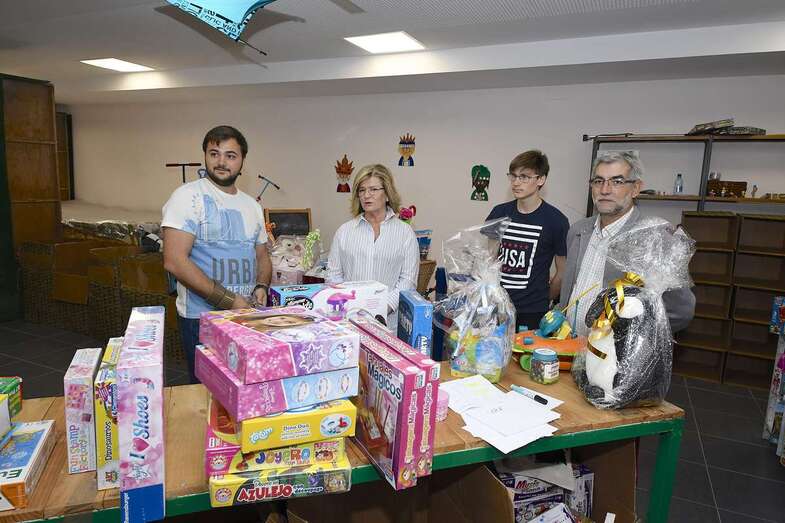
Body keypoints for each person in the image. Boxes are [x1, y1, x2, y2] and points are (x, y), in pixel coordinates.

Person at [162, 125, 272, 383]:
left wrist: (261, 285)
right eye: (214, 153)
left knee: (243, 387)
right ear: (205, 156)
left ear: (242, 160)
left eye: (230, 155)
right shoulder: (187, 197)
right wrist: (229, 301)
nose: (222, 162)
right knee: (206, 393)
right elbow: (174, 261)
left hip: (244, 315)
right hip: (203, 319)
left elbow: (262, 255)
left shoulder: (252, 205)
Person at [558, 150, 695, 336]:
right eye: (598, 181)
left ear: (636, 188)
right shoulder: (577, 231)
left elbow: (681, 311)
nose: (605, 190)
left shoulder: (655, 238)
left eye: (617, 181)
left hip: (616, 359)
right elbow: (571, 292)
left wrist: (629, 337)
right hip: (569, 348)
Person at [327, 164, 420, 329]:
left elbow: (408, 281)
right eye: (361, 190)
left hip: (389, 324)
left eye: (373, 189)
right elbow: (333, 276)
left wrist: (382, 308)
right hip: (349, 322)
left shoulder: (405, 233)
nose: (366, 196)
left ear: (387, 193)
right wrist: (349, 307)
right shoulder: (344, 231)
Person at [486, 150, 569, 332]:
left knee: (524, 359)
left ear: (541, 179)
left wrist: (545, 297)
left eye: (524, 177)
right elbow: (488, 259)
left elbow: (562, 272)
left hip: (533, 311)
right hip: (496, 306)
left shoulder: (556, 221)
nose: (516, 182)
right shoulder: (499, 213)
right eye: (513, 176)